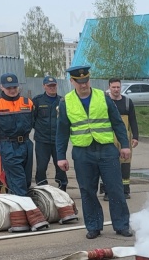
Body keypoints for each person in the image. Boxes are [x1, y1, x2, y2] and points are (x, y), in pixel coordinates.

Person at [56, 65, 132, 239]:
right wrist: (61, 156)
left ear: (89, 79)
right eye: (79, 82)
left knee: (115, 189)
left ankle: (121, 225)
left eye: (86, 81)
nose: (83, 85)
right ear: (72, 81)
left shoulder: (103, 97)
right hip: (83, 153)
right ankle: (94, 226)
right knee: (87, 191)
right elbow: (62, 132)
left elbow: (117, 123)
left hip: (107, 150)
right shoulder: (66, 102)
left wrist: (124, 145)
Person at [0, 73, 34, 196]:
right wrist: (0, 146)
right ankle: (25, 211)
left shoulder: (28, 103)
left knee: (26, 179)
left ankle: (17, 205)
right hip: (8, 145)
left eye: (14, 87)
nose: (12, 90)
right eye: (8, 88)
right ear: (1, 87)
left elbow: (34, 121)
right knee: (18, 181)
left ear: (18, 87)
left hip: (26, 144)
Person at [103, 78, 140, 200]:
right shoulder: (104, 101)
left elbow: (133, 120)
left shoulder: (127, 102)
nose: (116, 89)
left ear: (121, 87)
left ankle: (125, 191)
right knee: (109, 164)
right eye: (113, 87)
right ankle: (108, 191)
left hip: (124, 138)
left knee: (125, 163)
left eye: (118, 87)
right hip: (108, 137)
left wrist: (135, 136)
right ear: (109, 87)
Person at [32, 76, 67, 191]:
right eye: (49, 86)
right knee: (41, 167)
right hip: (42, 140)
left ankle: (62, 188)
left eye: (54, 85)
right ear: (44, 86)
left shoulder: (62, 101)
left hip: (58, 140)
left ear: (56, 86)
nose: (52, 88)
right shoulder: (37, 101)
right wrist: (40, 129)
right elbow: (32, 119)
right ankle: (42, 189)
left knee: (61, 166)